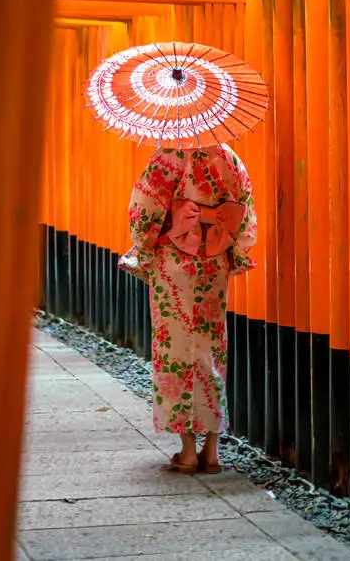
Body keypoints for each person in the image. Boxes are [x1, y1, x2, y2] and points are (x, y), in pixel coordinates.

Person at [122, 144, 257, 473]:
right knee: (211, 347)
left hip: (174, 263)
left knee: (176, 347)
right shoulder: (228, 157)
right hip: (214, 261)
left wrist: (145, 247)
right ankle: (212, 450)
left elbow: (142, 209)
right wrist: (234, 250)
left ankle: (186, 450)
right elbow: (246, 211)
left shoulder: (167, 154)